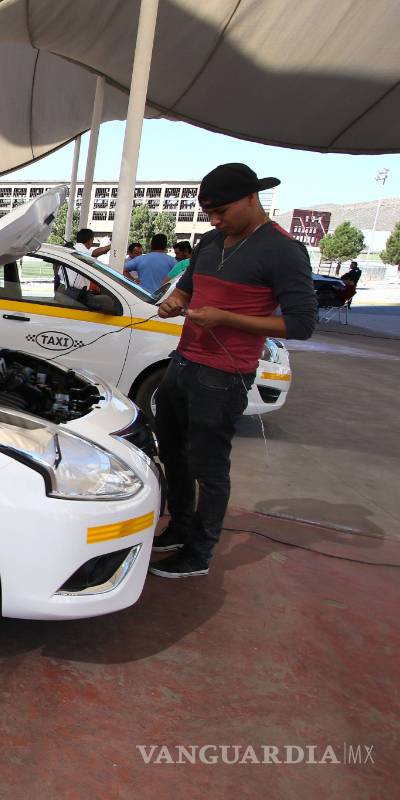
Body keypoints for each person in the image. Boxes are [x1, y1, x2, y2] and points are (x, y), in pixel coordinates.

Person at [151, 163, 316, 578]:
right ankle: (180, 525)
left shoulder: (283, 250)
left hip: (223, 376)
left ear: (251, 198)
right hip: (183, 362)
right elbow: (189, 286)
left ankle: (200, 552)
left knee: (209, 465)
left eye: (222, 211)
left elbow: (301, 323)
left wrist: (226, 318)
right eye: (209, 212)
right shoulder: (209, 241)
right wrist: (176, 300)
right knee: (172, 451)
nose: (215, 220)